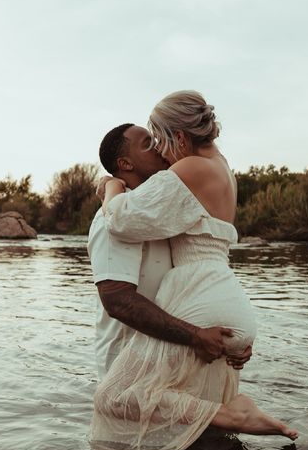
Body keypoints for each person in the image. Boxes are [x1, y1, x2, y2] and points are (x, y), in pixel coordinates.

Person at [91, 90, 298, 450]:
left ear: (181, 138)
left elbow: (121, 219)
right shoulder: (222, 168)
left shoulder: (190, 170)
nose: (160, 150)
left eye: (160, 140)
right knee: (200, 447)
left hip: (198, 297)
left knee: (112, 397)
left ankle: (231, 415)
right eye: (148, 143)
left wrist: (110, 186)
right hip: (224, 296)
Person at [88, 123, 253, 381]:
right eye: (147, 144)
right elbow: (117, 301)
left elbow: (200, 274)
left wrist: (231, 335)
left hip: (174, 366)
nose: (158, 146)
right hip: (127, 370)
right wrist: (195, 336)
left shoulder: (166, 213)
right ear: (126, 164)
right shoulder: (110, 221)